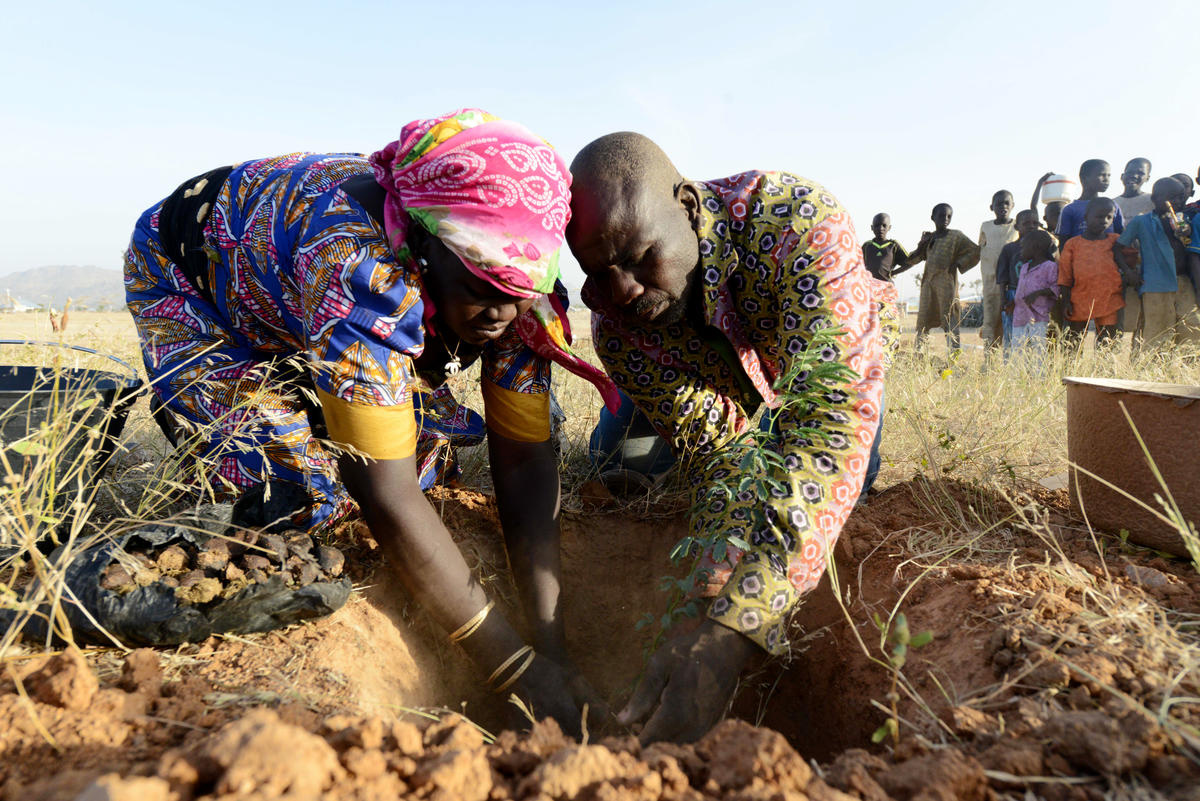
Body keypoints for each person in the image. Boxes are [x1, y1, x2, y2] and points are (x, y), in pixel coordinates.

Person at [124, 109, 620, 733]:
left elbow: (523, 457)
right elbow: (383, 490)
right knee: (307, 506)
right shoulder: (360, 269)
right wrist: (513, 670)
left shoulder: (522, 297)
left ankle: (316, 403)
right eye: (481, 277)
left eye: (517, 286)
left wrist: (550, 648)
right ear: (423, 238)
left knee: (429, 460)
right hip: (192, 285)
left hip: (302, 295)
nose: (500, 308)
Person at [566, 132, 895, 743]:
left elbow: (830, 418)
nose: (623, 292)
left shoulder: (797, 222)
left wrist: (736, 628)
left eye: (640, 257)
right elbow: (722, 458)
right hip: (716, 388)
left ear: (688, 204)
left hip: (809, 373)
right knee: (618, 460)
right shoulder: (618, 327)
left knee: (844, 475)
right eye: (597, 273)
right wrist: (699, 602)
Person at [1114, 177, 1199, 349]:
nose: (1177, 201)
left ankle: (1186, 370)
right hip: (1156, 284)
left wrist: (1186, 231)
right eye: (1172, 197)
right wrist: (1129, 272)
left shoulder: (1183, 220)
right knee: (1157, 331)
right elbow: (1118, 248)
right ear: (1154, 200)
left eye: (1181, 197)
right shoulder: (1141, 221)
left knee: (1191, 328)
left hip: (1183, 281)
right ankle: (1151, 369)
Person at [908, 203, 980, 354]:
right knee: (923, 321)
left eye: (949, 216)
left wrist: (957, 264)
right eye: (941, 216)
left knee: (949, 318)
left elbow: (975, 251)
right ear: (933, 218)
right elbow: (914, 259)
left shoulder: (955, 236)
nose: (945, 219)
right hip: (928, 286)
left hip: (947, 286)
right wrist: (921, 244)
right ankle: (920, 356)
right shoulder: (930, 238)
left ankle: (954, 355)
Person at [1057, 198, 1126, 348]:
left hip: (1109, 299)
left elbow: (1131, 261)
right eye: (1099, 216)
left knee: (1108, 342)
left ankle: (1105, 371)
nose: (1104, 221)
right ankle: (1070, 370)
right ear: (1086, 217)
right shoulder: (1073, 244)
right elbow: (1065, 275)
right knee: (1073, 342)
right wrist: (1066, 301)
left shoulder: (1116, 241)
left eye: (1109, 217)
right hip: (1080, 299)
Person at [995, 209, 1040, 354]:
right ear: (1017, 227)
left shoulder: (1043, 249)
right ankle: (1011, 368)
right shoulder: (1009, 249)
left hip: (1036, 296)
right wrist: (1003, 299)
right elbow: (1002, 277)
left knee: (1035, 335)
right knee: (1012, 333)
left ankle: (1031, 370)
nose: (1032, 226)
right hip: (1013, 295)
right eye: (1027, 223)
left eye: (1035, 223)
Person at [977, 190, 1017, 350]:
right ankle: (989, 365)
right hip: (991, 286)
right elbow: (980, 248)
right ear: (991, 207)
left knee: (1012, 325)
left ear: (1013, 206)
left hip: (1013, 287)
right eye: (999, 203)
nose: (1003, 206)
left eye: (1007, 203)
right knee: (990, 325)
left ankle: (1010, 363)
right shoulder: (985, 227)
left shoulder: (1018, 226)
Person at [1011, 230, 1059, 358]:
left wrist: (1038, 293)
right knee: (1018, 351)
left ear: (1035, 248)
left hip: (1039, 317)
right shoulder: (1025, 267)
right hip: (1020, 316)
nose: (1020, 251)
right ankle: (1019, 376)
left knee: (1038, 351)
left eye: (1023, 247)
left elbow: (1056, 288)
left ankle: (1039, 377)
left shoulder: (1050, 267)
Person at [1056, 160, 1125, 244]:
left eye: (1108, 175)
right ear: (1084, 178)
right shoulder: (1070, 209)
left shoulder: (1112, 206)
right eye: (1102, 175)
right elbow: (1064, 242)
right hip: (1080, 256)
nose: (1106, 179)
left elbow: (1121, 235)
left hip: (1108, 256)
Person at [861, 213, 912, 282]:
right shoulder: (867, 246)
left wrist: (894, 272)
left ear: (889, 227)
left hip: (886, 286)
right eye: (877, 225)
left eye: (884, 225)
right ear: (872, 228)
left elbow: (910, 262)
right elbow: (856, 264)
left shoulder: (893, 245)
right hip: (869, 286)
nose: (880, 228)